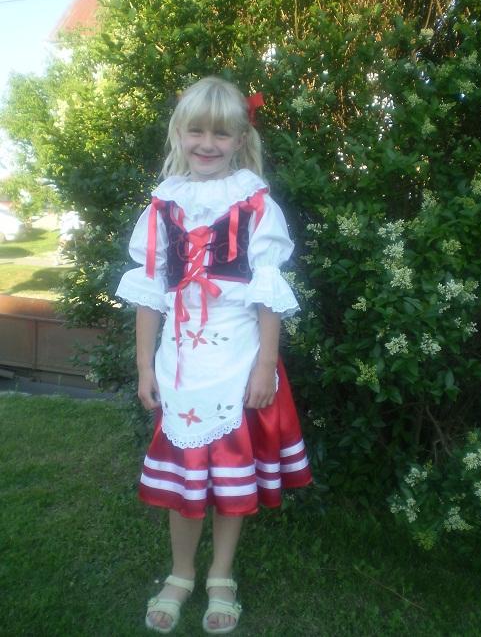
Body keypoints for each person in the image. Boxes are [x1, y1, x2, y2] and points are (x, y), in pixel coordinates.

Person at [116, 76, 312, 634]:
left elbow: (267, 293)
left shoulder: (256, 205)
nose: (207, 143)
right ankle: (181, 572)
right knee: (186, 479)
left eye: (221, 134)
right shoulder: (163, 207)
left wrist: (265, 366)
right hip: (180, 365)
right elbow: (150, 293)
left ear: (240, 139)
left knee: (230, 476)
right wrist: (144, 365)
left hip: (237, 361)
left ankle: (220, 574)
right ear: (179, 133)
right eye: (196, 131)